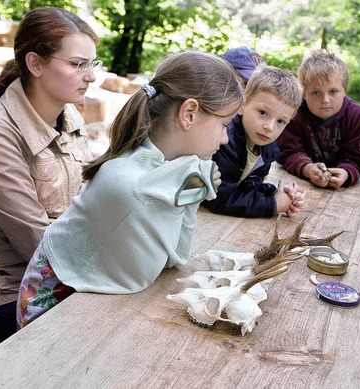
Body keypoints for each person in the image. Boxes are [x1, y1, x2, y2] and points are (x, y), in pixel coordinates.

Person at [17, 51, 244, 328]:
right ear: (189, 113)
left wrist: (192, 193)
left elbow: (176, 259)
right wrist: (190, 186)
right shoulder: (132, 184)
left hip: (89, 297)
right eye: (224, 124)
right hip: (49, 310)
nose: (225, 138)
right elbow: (147, 273)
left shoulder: (159, 169)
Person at [0, 7, 96, 344]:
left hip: (63, 269)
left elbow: (90, 202)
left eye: (93, 64)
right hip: (6, 294)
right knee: (107, 329)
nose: (90, 76)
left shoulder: (70, 116)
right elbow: (38, 243)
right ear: (35, 64)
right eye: (78, 64)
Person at [205, 65, 305, 218]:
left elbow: (247, 186)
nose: (269, 127)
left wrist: (275, 193)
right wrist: (273, 204)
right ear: (242, 104)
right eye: (263, 113)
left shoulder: (268, 148)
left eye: (280, 121)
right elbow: (218, 198)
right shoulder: (224, 142)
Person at [276, 49, 360, 189]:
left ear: (344, 89)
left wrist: (346, 172)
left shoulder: (357, 115)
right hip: (299, 184)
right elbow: (287, 152)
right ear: (303, 93)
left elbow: (355, 159)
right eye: (315, 93)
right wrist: (308, 169)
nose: (325, 100)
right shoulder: (293, 113)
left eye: (333, 92)